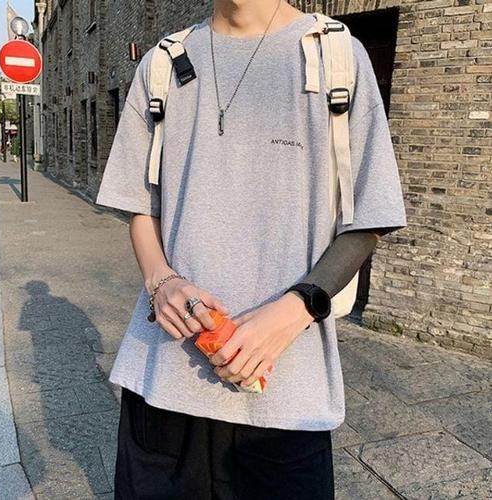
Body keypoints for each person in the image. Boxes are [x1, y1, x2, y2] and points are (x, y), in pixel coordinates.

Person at [96, 1, 407, 498]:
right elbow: (140, 205)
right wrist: (161, 281)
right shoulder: (161, 65)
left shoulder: (337, 57)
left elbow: (368, 220)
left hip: (286, 398)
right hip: (163, 385)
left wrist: (294, 311)